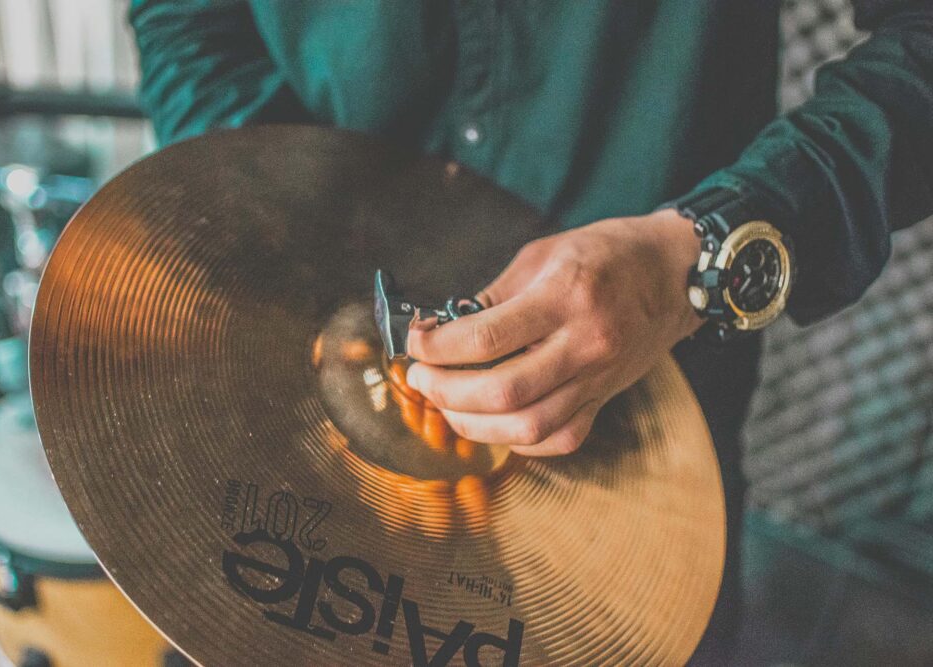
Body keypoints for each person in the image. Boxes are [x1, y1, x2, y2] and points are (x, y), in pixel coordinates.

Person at [128, 1, 933, 663]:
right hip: (304, 351)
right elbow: (186, 16)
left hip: (646, 371)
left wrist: (707, 251)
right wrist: (271, 202)